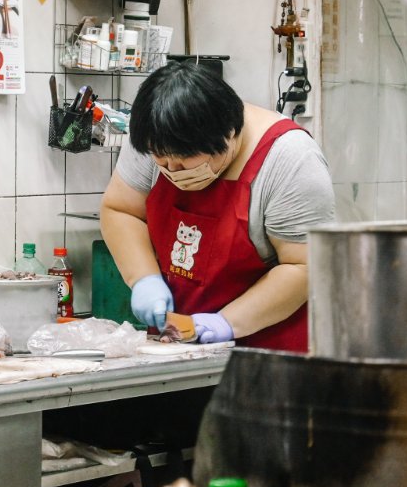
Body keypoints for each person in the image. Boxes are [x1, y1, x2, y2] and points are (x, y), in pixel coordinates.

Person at [99, 61, 335, 350]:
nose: (172, 169)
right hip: (176, 344)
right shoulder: (156, 133)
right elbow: (121, 210)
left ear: (229, 135)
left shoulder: (290, 160)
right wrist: (144, 278)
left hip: (268, 351)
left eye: (184, 160)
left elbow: (304, 266)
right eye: (162, 160)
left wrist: (226, 322)